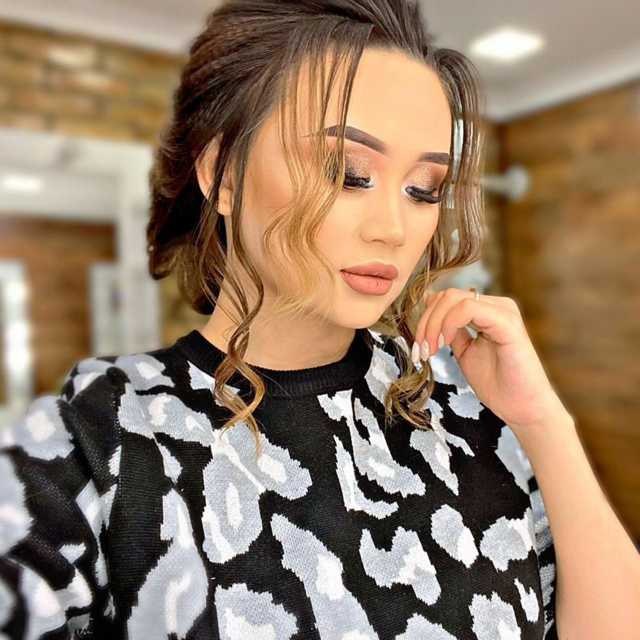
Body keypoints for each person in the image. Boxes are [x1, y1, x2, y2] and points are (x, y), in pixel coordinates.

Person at [0, 0, 565, 638]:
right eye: (347, 173)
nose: (393, 228)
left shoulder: (464, 402)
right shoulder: (93, 439)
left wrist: (545, 422)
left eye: (423, 189)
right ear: (223, 174)